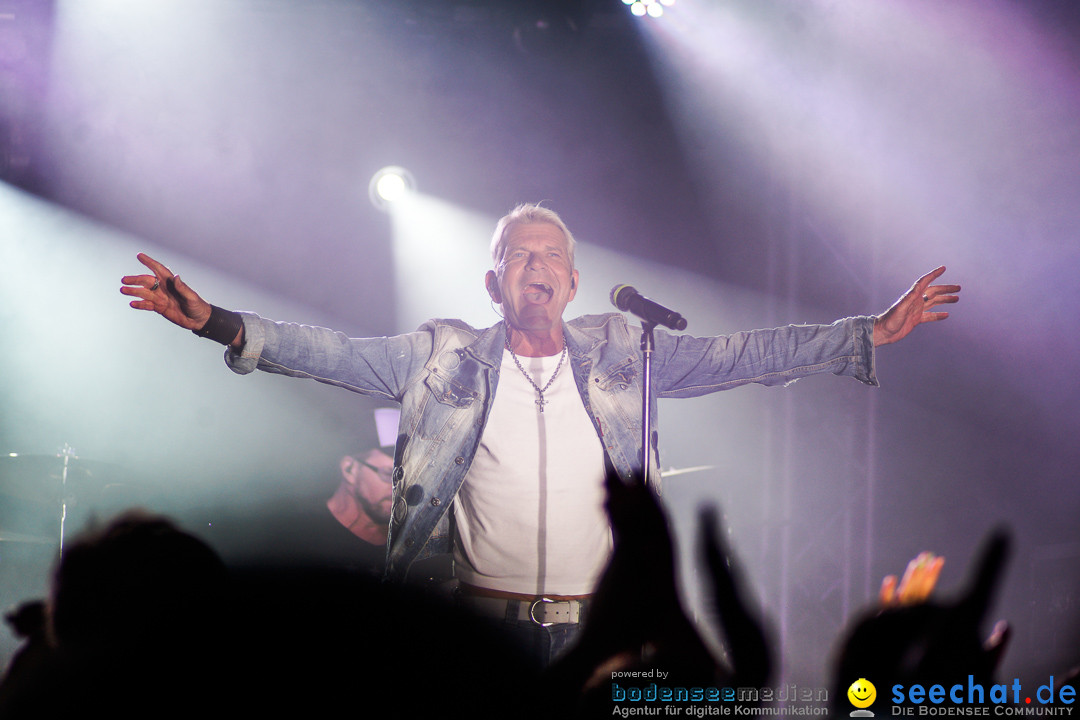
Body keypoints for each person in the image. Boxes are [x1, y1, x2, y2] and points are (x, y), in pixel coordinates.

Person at [120, 203, 960, 664]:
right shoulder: (442, 357)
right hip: (487, 632)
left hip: (607, 638)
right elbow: (329, 353)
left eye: (552, 254)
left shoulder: (627, 351)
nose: (537, 265)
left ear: (573, 279)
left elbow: (746, 354)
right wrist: (219, 324)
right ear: (493, 281)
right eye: (519, 255)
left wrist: (863, 334)